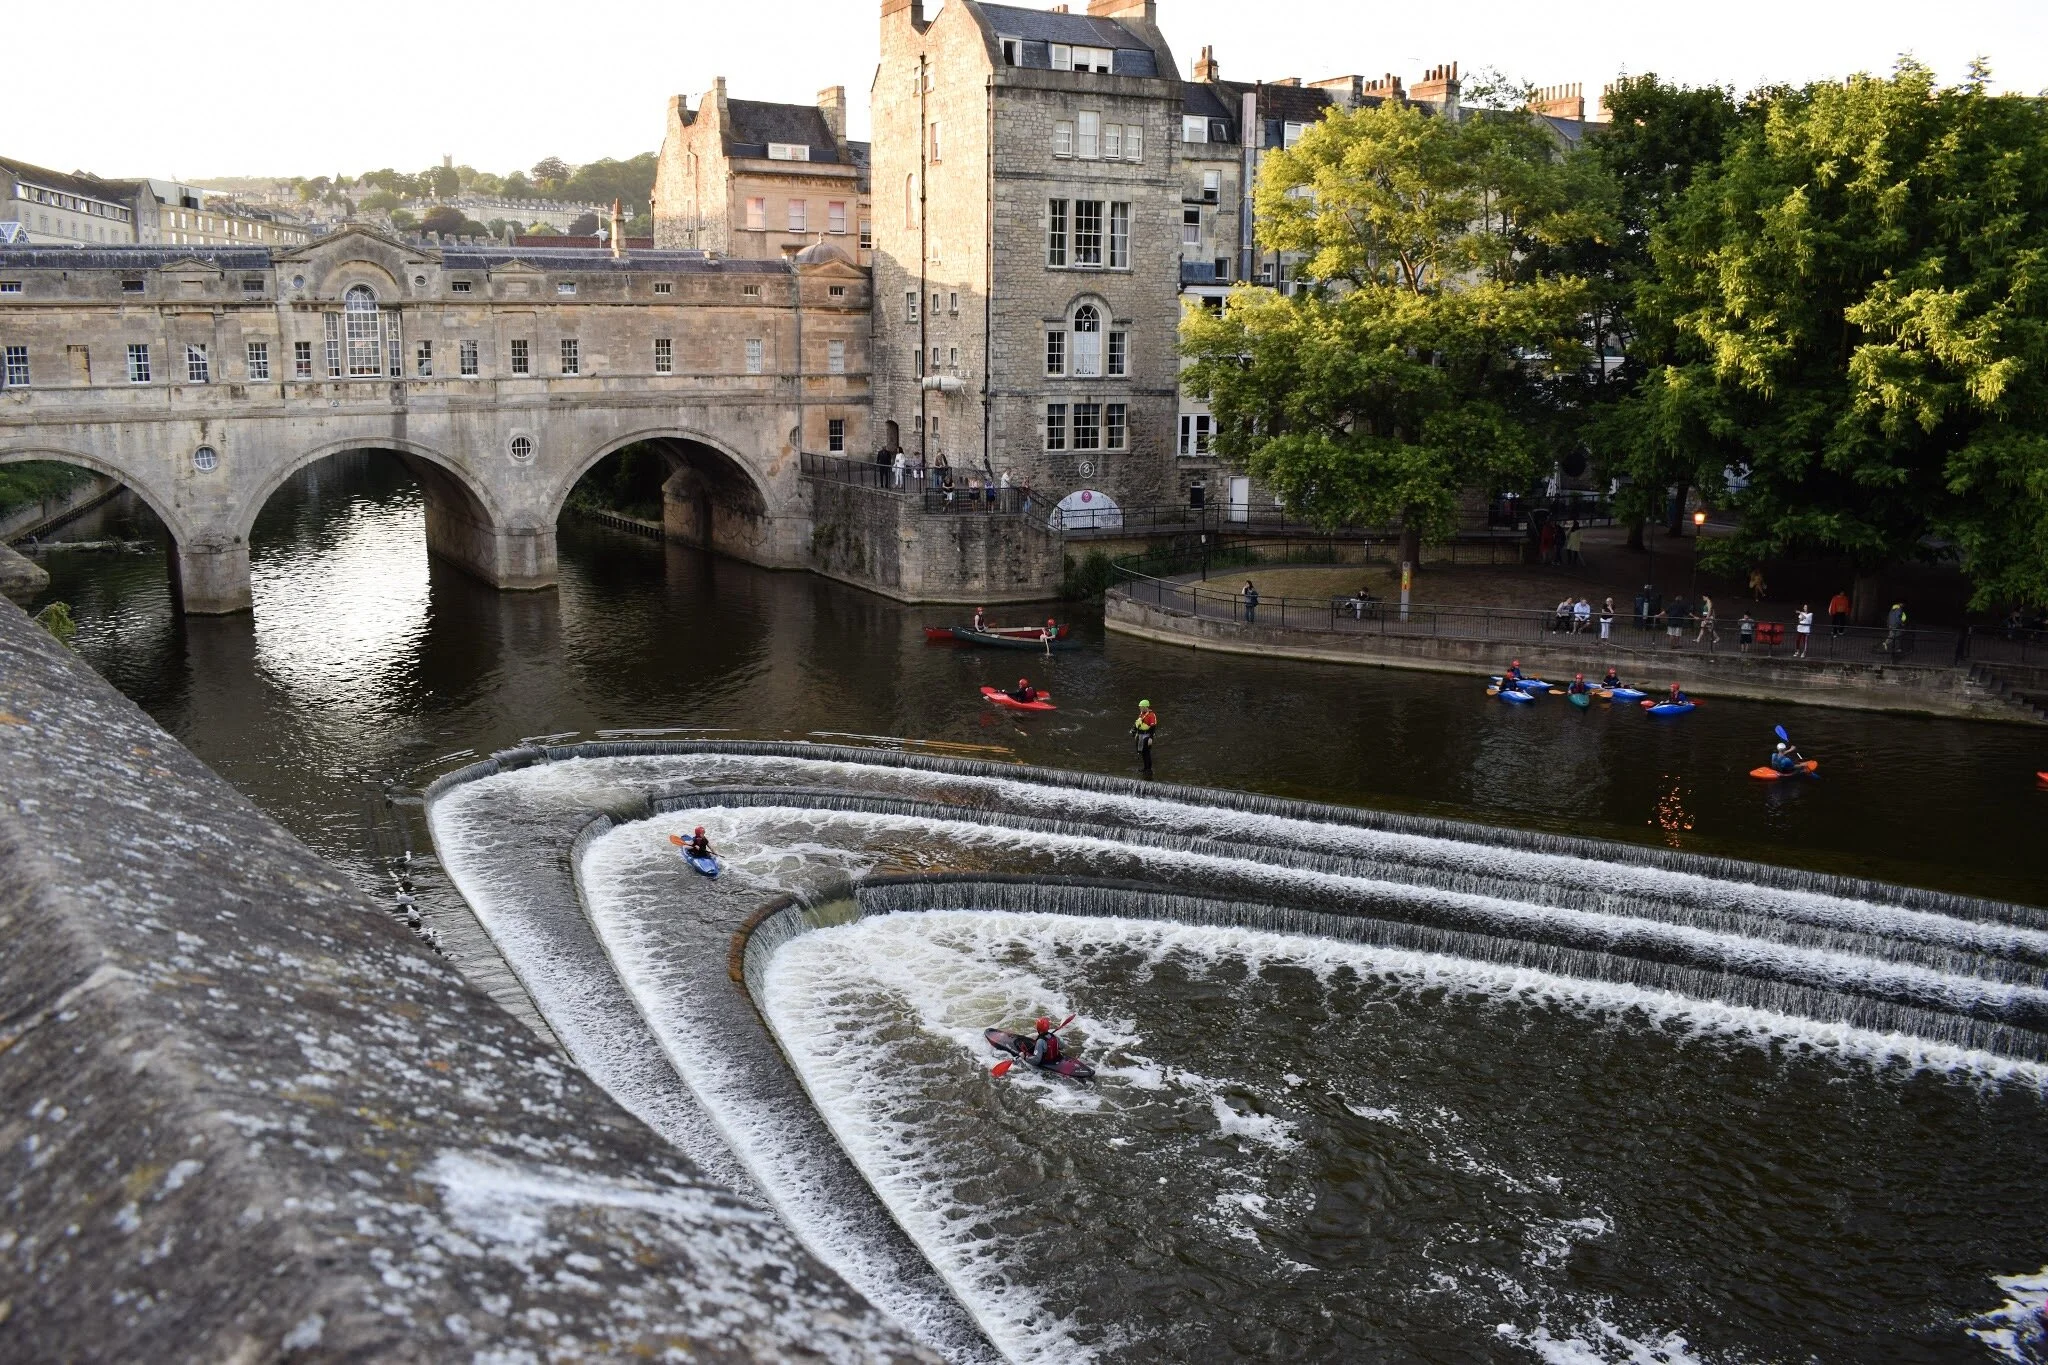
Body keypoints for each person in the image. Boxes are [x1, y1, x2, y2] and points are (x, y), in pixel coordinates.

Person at [1132, 699, 1159, 774]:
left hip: (1147, 735)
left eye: (1141, 707)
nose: (1139, 708)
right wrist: (1134, 732)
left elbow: (1153, 727)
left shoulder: (1151, 715)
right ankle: (1145, 768)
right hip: (1141, 735)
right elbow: (1138, 723)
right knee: (1142, 752)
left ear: (1145, 707)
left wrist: (1151, 738)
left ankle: (1149, 769)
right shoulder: (1142, 713)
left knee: (1146, 752)